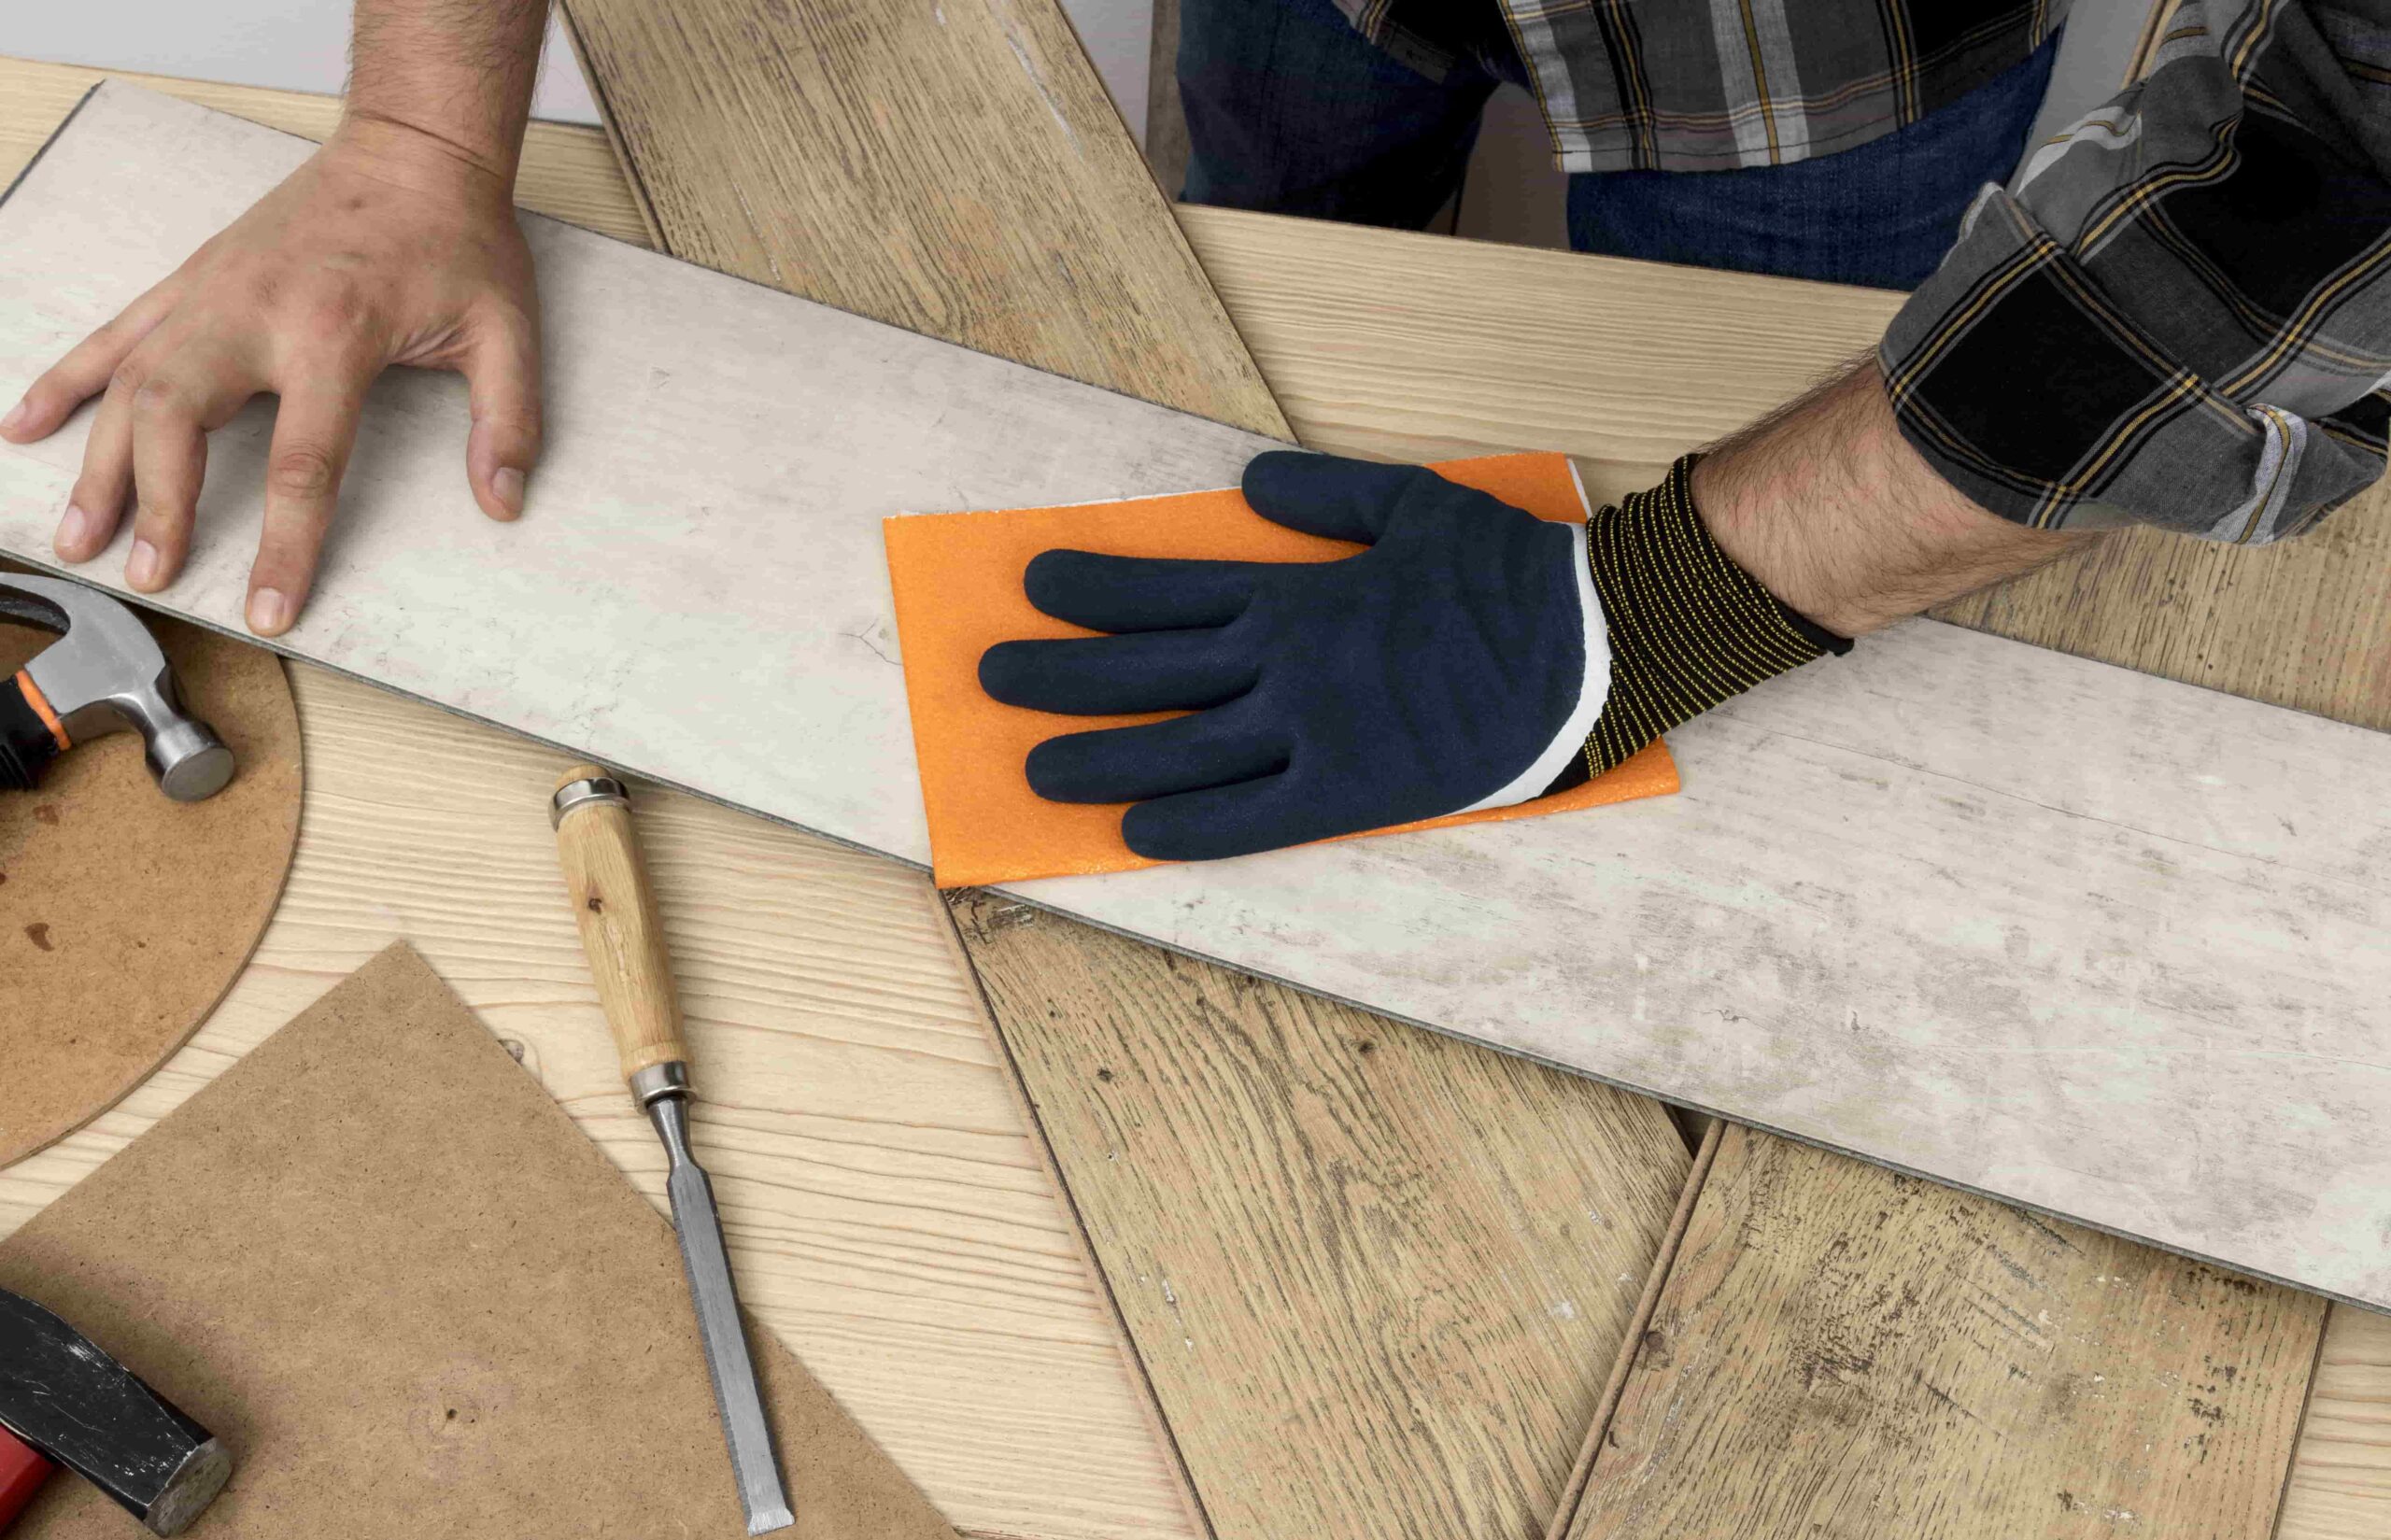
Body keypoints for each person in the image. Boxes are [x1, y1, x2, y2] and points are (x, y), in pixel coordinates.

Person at [4, 2, 2384, 857]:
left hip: (1808, 28)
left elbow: (2326, 176)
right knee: (1259, 243)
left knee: (1747, 421)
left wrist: (1652, 597)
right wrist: (426, 133)